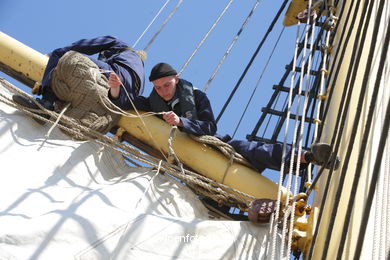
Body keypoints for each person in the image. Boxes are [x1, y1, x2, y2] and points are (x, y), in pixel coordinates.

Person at [136, 62, 340, 174]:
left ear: (176, 80)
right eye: (157, 87)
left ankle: (310, 157)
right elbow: (129, 103)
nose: (163, 91)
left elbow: (208, 127)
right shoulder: (152, 104)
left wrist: (181, 122)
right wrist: (116, 88)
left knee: (256, 150)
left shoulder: (197, 97)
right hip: (187, 162)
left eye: (167, 85)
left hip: (216, 144)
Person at [13, 35, 145, 125]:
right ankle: (55, 102)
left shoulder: (119, 44)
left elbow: (84, 46)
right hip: (120, 102)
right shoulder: (141, 76)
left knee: (62, 55)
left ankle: (46, 103)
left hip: (114, 76)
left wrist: (51, 56)